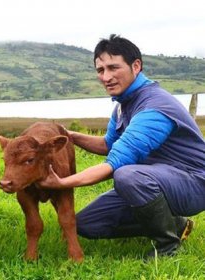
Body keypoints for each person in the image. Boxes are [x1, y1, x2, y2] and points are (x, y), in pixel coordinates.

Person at [39, 34, 205, 258]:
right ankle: (175, 225)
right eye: (100, 70)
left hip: (193, 183)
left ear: (136, 66)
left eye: (113, 68)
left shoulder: (154, 107)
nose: (106, 77)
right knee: (86, 225)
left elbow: (115, 163)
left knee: (126, 175)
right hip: (154, 179)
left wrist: (61, 183)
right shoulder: (122, 104)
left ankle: (167, 246)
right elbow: (109, 145)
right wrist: (69, 136)